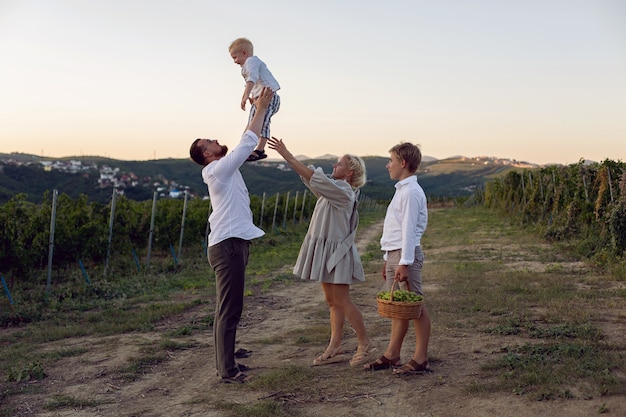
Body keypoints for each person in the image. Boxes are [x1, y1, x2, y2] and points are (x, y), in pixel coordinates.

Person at [189, 87, 274, 383]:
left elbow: (246, 147)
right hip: (227, 246)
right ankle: (226, 370)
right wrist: (261, 108)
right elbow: (243, 144)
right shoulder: (214, 171)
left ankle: (229, 360)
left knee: (232, 306)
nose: (215, 139)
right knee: (228, 308)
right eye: (210, 141)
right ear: (207, 154)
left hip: (235, 242)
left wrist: (255, 113)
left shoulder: (223, 167)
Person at [267, 136, 376, 367]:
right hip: (328, 252)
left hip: (337, 255)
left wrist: (286, 154)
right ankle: (334, 346)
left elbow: (311, 176)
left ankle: (365, 343)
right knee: (332, 301)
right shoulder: (333, 190)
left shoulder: (344, 191)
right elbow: (311, 180)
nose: (333, 166)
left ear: (349, 173)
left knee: (343, 300)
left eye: (339, 164)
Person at [363, 142, 432, 375]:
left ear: (403, 163)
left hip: (405, 256)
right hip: (395, 255)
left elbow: (409, 231)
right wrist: (387, 259)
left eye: (391, 160)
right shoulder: (402, 190)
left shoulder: (411, 192)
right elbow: (395, 231)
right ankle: (392, 355)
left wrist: (404, 262)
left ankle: (421, 358)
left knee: (416, 307)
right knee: (399, 307)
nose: (387, 165)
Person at [229, 37, 281, 162]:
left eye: (235, 57)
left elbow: (252, 79)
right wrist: (252, 96)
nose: (235, 61)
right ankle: (243, 148)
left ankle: (260, 150)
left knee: (263, 121)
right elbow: (256, 83)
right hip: (259, 97)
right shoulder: (247, 65)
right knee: (252, 123)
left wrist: (245, 96)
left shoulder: (251, 61)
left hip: (269, 96)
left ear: (244, 53)